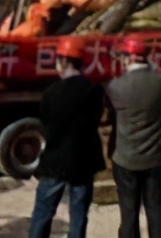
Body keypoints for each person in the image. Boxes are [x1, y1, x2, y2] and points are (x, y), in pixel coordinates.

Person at [28, 37, 106, 238]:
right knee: (78, 216)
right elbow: (96, 119)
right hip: (83, 162)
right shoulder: (94, 90)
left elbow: (46, 124)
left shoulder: (51, 93)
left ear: (62, 61)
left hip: (55, 162)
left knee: (43, 213)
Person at [105, 36, 161, 238]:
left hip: (126, 156)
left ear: (127, 57)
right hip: (156, 156)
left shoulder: (115, 86)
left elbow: (110, 114)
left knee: (128, 213)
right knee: (156, 209)